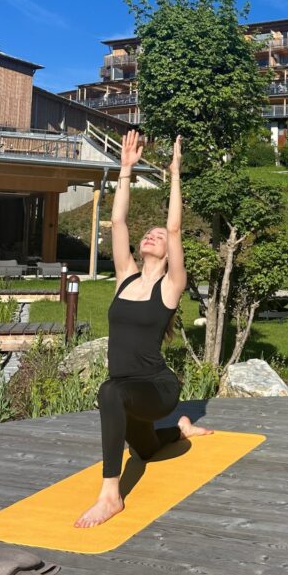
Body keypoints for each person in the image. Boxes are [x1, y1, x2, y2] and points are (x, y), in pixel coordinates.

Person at [75, 130, 212, 529]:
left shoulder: (170, 286)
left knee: (109, 391)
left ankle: (110, 495)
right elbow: (117, 220)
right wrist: (125, 170)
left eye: (158, 236)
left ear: (169, 253)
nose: (152, 235)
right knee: (146, 450)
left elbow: (173, 228)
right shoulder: (125, 278)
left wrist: (174, 174)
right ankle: (180, 430)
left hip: (157, 389)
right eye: (146, 234)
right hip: (129, 394)